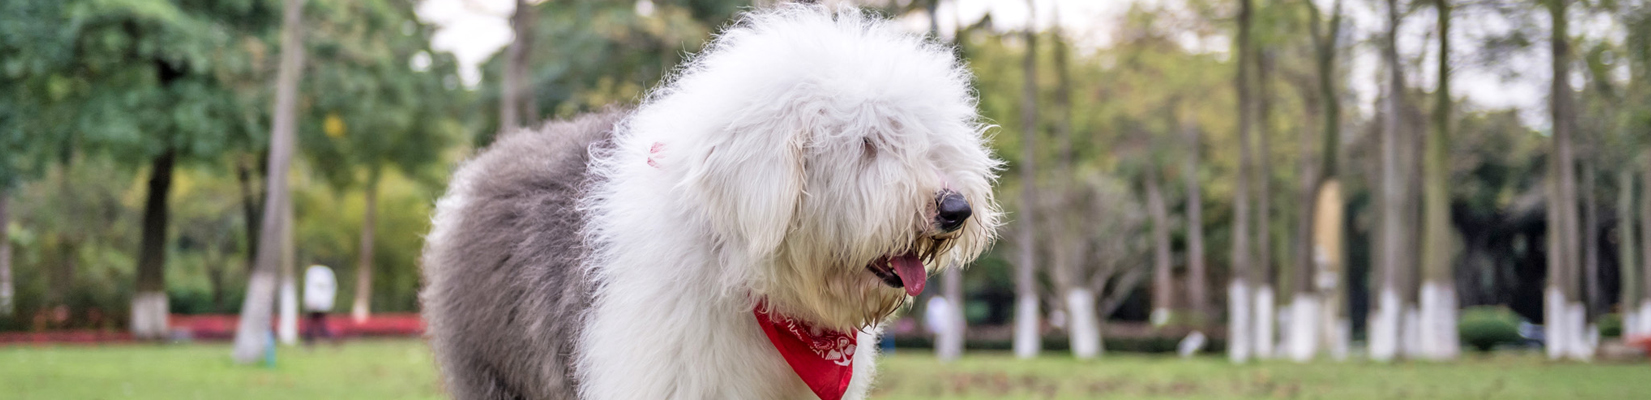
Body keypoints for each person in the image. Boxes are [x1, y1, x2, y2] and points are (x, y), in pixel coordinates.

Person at [302, 265, 337, 345]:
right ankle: (331, 339)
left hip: (316, 304)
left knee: (312, 324)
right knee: (320, 324)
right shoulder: (327, 272)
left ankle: (310, 341)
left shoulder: (312, 272)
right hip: (323, 304)